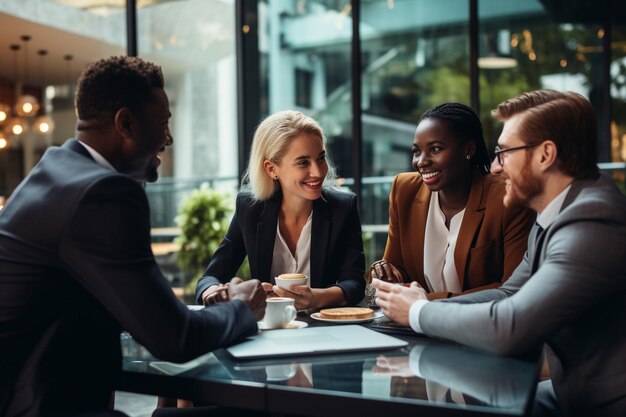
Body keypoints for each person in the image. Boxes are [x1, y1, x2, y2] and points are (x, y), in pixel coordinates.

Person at [0, 56, 266, 417]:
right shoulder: (103, 194)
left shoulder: (56, 170)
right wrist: (241, 307)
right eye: (163, 123)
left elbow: (140, 311)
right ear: (125, 123)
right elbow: (175, 339)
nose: (168, 138)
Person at [373, 90, 626, 417]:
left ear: (545, 154)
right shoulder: (557, 214)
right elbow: (509, 292)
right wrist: (421, 306)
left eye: (504, 152)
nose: (494, 167)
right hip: (573, 393)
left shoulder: (592, 221)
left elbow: (511, 327)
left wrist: (419, 311)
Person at [196, 110, 365, 311]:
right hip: (270, 328)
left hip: (322, 329)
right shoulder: (250, 208)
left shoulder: (343, 208)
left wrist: (316, 298)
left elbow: (354, 285)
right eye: (303, 162)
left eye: (320, 158)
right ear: (271, 169)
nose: (318, 172)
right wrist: (213, 292)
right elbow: (211, 277)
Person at [369, 103, 533, 299]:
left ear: (469, 149)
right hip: (412, 324)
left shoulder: (506, 198)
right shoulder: (404, 190)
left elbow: (513, 290)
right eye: (416, 151)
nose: (421, 161)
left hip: (480, 324)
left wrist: (424, 301)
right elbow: (396, 271)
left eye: (435, 149)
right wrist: (383, 273)